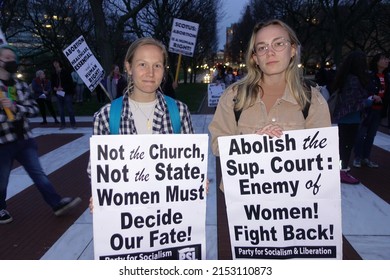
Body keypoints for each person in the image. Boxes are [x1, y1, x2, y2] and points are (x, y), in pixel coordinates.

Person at [88, 37, 194, 211]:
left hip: (170, 219)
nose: (150, 73)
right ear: (128, 67)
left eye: (157, 65)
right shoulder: (106, 117)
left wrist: (195, 184)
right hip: (129, 220)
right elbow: (97, 172)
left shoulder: (180, 112)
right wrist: (100, 197)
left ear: (164, 70)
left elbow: (189, 167)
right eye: (142, 64)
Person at [0, 45, 81, 224]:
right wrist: (4, 112)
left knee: (38, 173)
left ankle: (56, 203)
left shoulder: (20, 85)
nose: (10, 61)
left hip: (24, 139)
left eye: (12, 58)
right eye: (6, 58)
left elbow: (33, 108)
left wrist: (15, 108)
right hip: (3, 142)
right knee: (2, 180)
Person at [330, 50, 371, 184]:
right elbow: (352, 103)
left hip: (342, 119)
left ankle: (340, 170)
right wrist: (369, 101)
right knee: (345, 147)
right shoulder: (354, 80)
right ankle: (341, 172)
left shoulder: (345, 77)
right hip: (350, 119)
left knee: (342, 146)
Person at [353, 53, 390, 168]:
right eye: (384, 59)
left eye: (387, 59)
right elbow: (362, 91)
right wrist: (372, 96)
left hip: (379, 111)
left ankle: (366, 157)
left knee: (371, 135)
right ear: (377, 61)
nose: (387, 61)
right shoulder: (369, 75)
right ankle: (358, 157)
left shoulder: (387, 76)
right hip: (367, 109)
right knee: (361, 134)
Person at [51, 58, 77, 130]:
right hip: (58, 93)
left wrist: (63, 88)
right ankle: (63, 124)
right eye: (54, 63)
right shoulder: (53, 73)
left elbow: (70, 83)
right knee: (60, 110)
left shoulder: (65, 72)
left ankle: (73, 124)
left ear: (59, 63)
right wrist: (54, 88)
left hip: (67, 92)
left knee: (70, 109)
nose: (55, 64)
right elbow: (52, 83)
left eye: (56, 63)